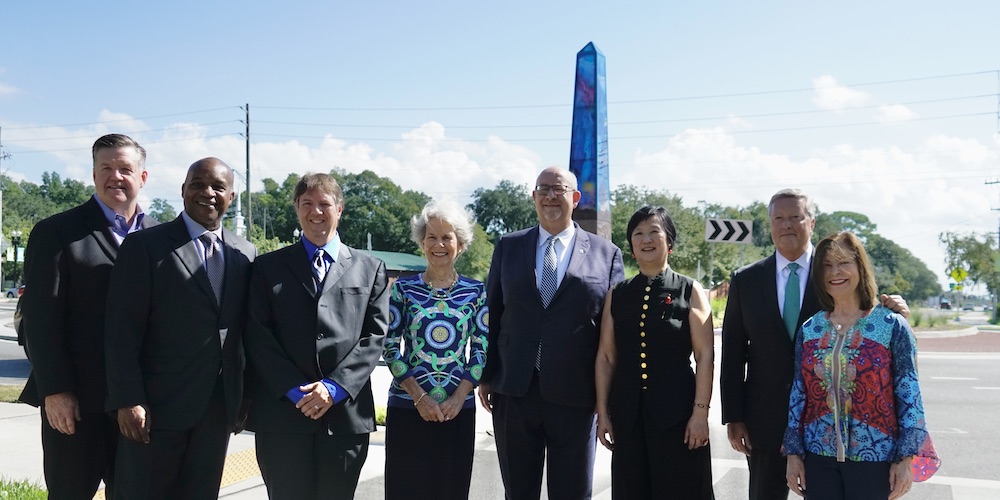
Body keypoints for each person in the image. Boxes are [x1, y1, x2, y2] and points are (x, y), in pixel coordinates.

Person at [721, 189, 909, 500]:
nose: (787, 225)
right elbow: (732, 352)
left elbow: (865, 315)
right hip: (764, 419)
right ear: (769, 225)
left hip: (828, 424)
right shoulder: (746, 280)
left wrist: (897, 311)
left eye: (796, 217)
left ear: (812, 222)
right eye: (779, 218)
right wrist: (734, 416)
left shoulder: (832, 274)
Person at [105, 157, 256, 499]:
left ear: (231, 196)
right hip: (155, 410)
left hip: (217, 411)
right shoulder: (145, 246)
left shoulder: (245, 253)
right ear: (183, 190)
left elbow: (247, 332)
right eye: (198, 184)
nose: (208, 192)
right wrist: (127, 399)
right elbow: (120, 331)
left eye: (218, 187)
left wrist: (245, 396)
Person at [18, 133, 157, 499]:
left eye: (125, 168)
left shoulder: (163, 237)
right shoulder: (57, 233)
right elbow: (40, 321)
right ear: (93, 175)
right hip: (77, 406)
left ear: (142, 177)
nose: (116, 176)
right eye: (106, 168)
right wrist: (56, 390)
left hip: (142, 402)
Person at [479, 166, 625, 499]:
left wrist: (608, 399)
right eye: (542, 189)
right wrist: (486, 377)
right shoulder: (508, 246)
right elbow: (493, 313)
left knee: (572, 492)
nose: (549, 197)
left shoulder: (607, 254)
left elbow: (613, 334)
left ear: (575, 198)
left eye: (558, 189)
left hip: (576, 395)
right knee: (518, 491)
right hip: (514, 389)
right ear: (533, 197)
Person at [244, 172, 390, 499]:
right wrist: (296, 391)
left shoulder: (371, 268)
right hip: (283, 416)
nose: (316, 211)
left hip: (344, 418)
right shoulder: (267, 268)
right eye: (307, 203)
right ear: (296, 208)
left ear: (340, 209)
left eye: (324, 203)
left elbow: (374, 336)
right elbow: (257, 334)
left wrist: (334, 388)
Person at [784, 232, 939, 499]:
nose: (836, 272)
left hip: (876, 457)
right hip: (818, 456)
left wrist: (905, 459)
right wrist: (794, 454)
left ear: (860, 266)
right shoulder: (811, 329)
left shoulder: (890, 324)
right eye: (827, 265)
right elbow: (799, 394)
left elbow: (909, 394)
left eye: (843, 262)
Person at [595, 206, 715, 499]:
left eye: (654, 231)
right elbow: (607, 357)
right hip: (629, 417)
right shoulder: (618, 293)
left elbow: (705, 356)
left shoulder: (690, 290)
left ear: (669, 242)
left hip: (678, 417)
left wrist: (700, 414)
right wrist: (603, 413)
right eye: (638, 233)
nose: (646, 239)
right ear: (632, 247)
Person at [382, 198, 488, 500]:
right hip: (408, 407)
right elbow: (390, 347)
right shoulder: (404, 288)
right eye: (432, 237)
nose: (438, 244)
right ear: (422, 242)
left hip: (458, 411)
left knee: (450, 491)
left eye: (446, 237)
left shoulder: (475, 291)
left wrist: (459, 396)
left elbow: (480, 351)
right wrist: (420, 397)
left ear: (460, 244)